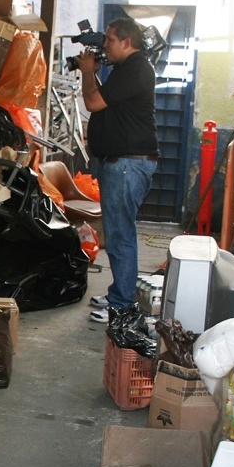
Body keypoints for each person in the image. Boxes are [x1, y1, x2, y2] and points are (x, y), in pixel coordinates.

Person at [77, 17, 159, 323]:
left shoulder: (136, 68)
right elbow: (104, 102)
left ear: (127, 41)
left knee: (120, 234)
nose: (104, 46)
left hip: (127, 165)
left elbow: (93, 103)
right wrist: (94, 75)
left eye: (110, 40)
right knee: (117, 231)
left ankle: (121, 304)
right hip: (123, 163)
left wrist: (88, 73)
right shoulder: (128, 70)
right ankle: (118, 294)